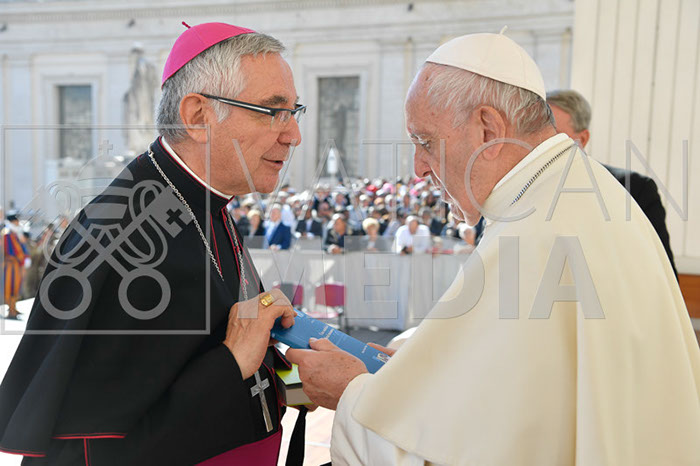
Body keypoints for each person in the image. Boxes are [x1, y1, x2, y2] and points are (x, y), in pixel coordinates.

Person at [287, 31, 700, 464]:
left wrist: (351, 392)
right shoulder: (573, 193)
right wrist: (415, 362)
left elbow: (473, 450)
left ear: (488, 128)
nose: (419, 168)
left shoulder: (537, 232)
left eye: (425, 142)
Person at [0, 22, 306, 465]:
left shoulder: (210, 203)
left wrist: (297, 380)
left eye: (294, 111)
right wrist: (231, 363)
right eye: (272, 111)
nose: (293, 134)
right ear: (198, 116)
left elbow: (226, 355)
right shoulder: (118, 236)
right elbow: (84, 452)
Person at [547, 89, 678, 278]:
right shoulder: (524, 191)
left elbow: (665, 276)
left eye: (554, 136)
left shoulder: (635, 189)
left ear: (582, 139)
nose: (543, 145)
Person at [2, 211, 29, 319]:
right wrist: (22, 258)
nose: (18, 222)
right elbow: (10, 251)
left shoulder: (15, 233)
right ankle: (11, 310)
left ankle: (13, 307)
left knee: (16, 286)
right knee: (10, 286)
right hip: (9, 264)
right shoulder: (7, 234)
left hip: (16, 264)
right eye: (16, 220)